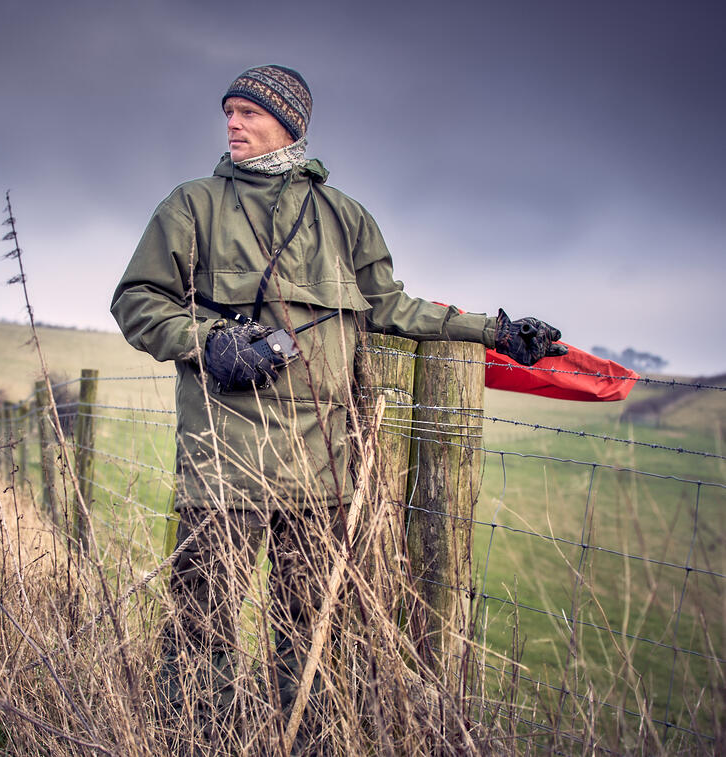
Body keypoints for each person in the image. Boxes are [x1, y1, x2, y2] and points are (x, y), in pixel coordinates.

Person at [111, 64, 564, 753]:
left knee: (310, 631)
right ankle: (193, 739)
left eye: (249, 113)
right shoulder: (192, 206)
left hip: (323, 467)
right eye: (229, 112)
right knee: (202, 623)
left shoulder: (345, 217)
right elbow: (138, 301)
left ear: (290, 123)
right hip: (226, 460)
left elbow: (395, 307)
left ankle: (309, 742)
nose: (234, 123)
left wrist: (495, 330)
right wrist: (208, 342)